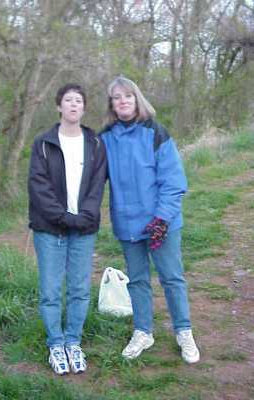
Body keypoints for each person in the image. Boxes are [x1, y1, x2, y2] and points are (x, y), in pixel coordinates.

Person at [100, 76, 200, 364]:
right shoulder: (105, 138)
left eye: (128, 96)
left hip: (161, 223)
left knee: (171, 278)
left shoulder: (156, 133)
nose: (123, 101)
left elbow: (173, 181)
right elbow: (92, 179)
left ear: (137, 99)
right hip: (127, 224)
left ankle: (184, 331)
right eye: (117, 97)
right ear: (112, 104)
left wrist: (162, 219)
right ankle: (143, 331)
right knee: (138, 280)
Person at [28, 83, 107, 375]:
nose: (73, 105)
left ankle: (73, 341)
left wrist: (84, 215)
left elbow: (98, 183)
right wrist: (63, 217)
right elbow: (38, 187)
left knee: (79, 289)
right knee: (50, 290)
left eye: (78, 101)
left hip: (84, 228)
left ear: (84, 108)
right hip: (49, 228)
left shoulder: (95, 143)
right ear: (58, 106)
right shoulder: (44, 143)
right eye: (68, 100)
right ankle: (55, 344)